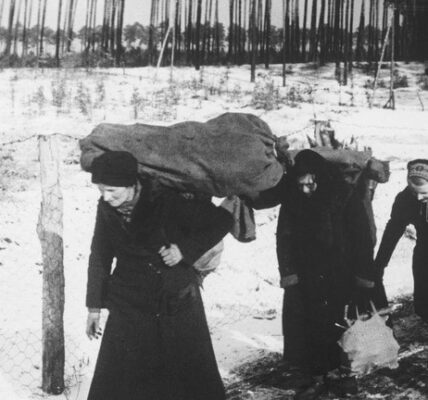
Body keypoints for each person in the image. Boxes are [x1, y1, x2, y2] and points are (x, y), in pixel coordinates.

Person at [84, 151, 233, 400]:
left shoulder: (166, 201)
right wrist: (94, 307)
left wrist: (184, 250)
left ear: (132, 185)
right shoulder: (106, 208)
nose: (106, 198)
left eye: (112, 191)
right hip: (128, 303)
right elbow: (100, 253)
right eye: (101, 191)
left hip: (173, 299)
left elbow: (221, 221)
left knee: (182, 378)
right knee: (124, 380)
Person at [251, 149, 375, 400]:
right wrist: (289, 275)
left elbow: (362, 237)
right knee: (310, 327)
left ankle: (343, 374)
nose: (306, 189)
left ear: (321, 177)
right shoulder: (293, 201)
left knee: (342, 322)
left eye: (311, 184)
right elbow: (283, 239)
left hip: (341, 272)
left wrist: (363, 276)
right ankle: (319, 377)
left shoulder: (344, 195)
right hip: (306, 275)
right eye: (301, 185)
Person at [374, 159, 428, 322]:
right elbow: (393, 230)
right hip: (424, 251)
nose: (418, 197)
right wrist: (380, 265)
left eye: (424, 193)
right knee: (423, 305)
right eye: (414, 192)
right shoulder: (405, 199)